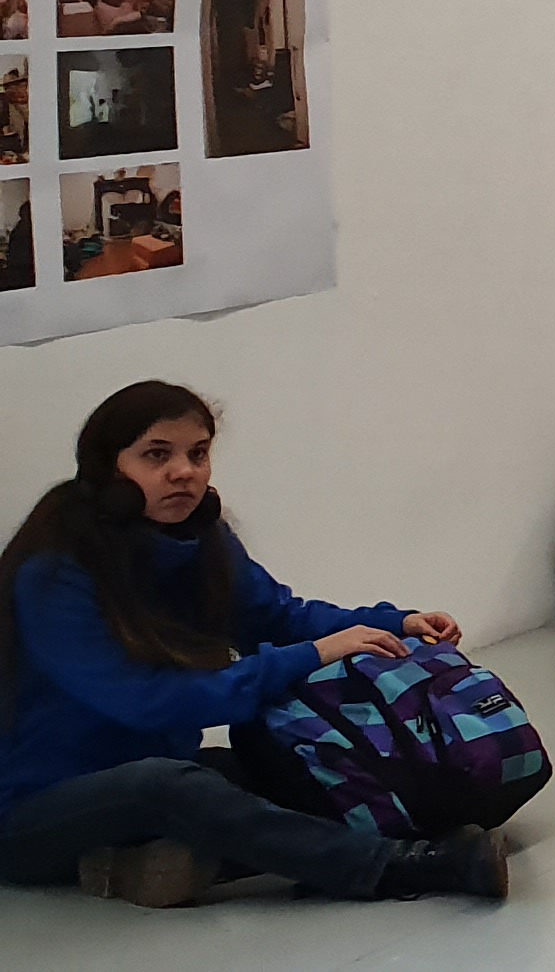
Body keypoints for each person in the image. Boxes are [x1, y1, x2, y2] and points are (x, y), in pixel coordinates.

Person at [1, 381, 507, 907]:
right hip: (31, 813)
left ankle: (144, 865)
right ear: (106, 469)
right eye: (157, 455)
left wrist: (394, 623)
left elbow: (279, 617)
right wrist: (312, 655)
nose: (184, 472)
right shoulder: (53, 576)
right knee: (169, 788)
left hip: (152, 771)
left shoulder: (201, 541)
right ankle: (400, 868)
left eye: (198, 454)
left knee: (286, 759)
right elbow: (145, 701)